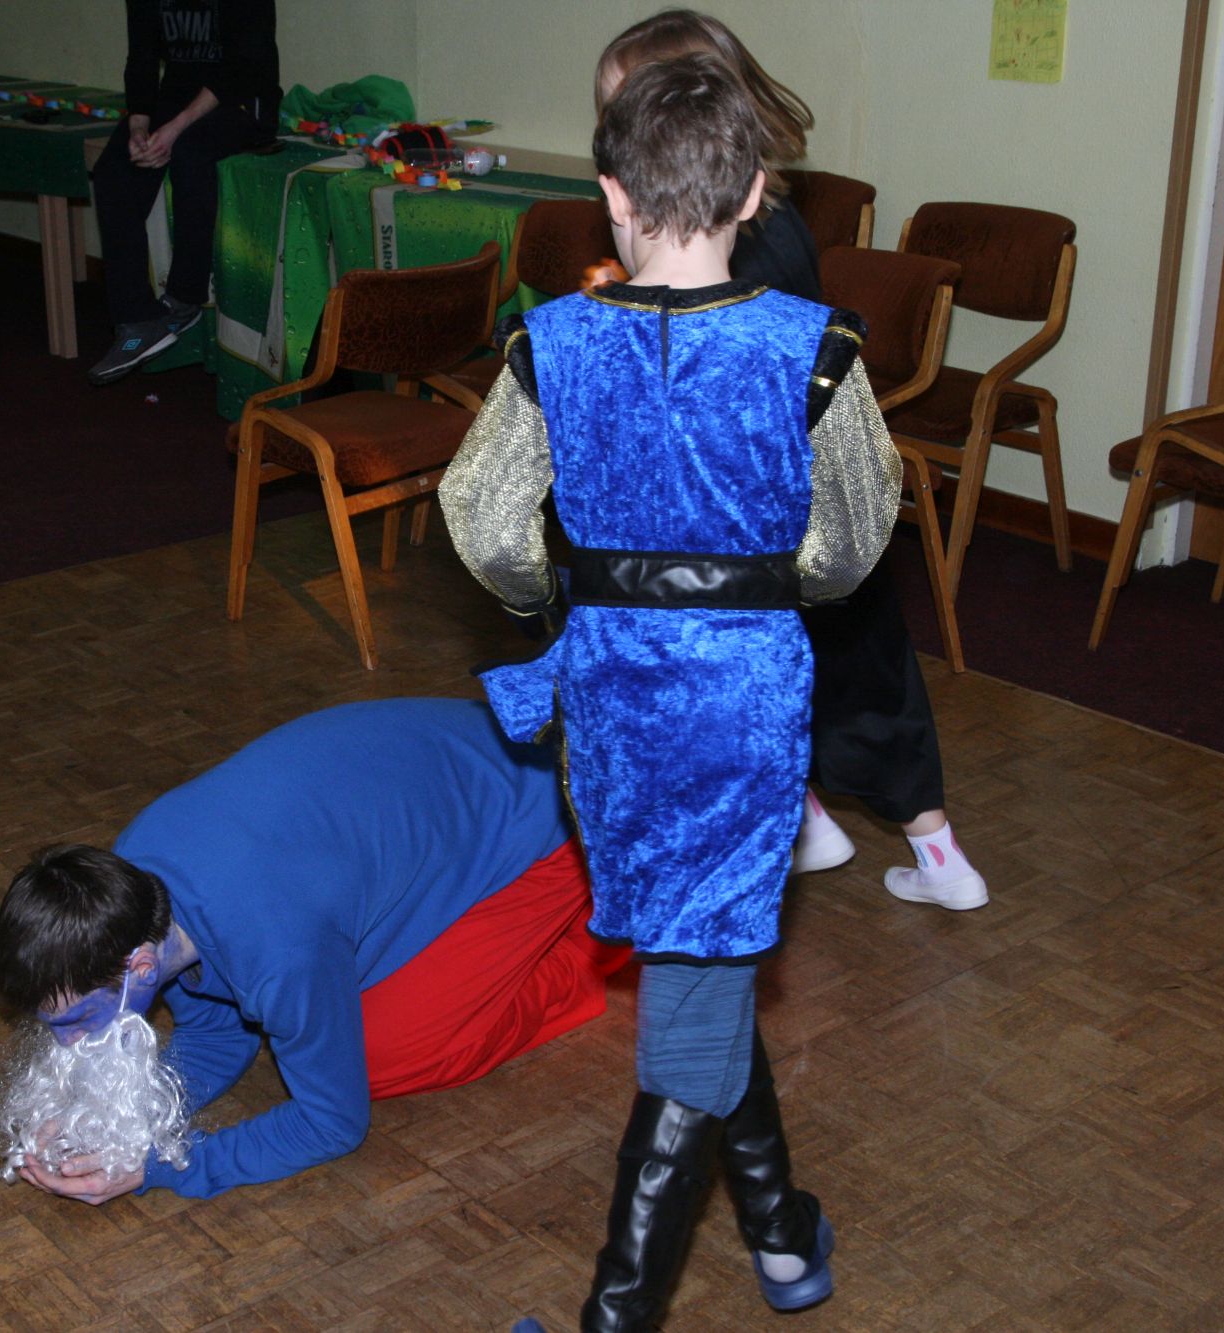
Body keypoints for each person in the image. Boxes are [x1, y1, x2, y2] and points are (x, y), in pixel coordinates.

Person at [439, 54, 900, 1330]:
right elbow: (852, 540)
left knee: (694, 973)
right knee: (702, 965)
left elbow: (480, 519)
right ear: (754, 193)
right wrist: (764, 588)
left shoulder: (550, 341)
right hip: (743, 707)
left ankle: (663, 1291)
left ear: (610, 195)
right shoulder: (813, 349)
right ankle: (779, 1242)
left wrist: (557, 600)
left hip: (608, 703)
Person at [594, 9, 988, 912]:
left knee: (760, 668)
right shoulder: (768, 214)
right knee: (855, 668)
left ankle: (808, 832)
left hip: (764, 504)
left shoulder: (725, 247)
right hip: (813, 492)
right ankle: (925, 852)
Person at [0, 698, 628, 1202]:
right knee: (332, 1020)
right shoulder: (132, 885)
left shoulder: (278, 947)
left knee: (382, 1057)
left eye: (78, 1021)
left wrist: (158, 1169)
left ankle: (603, 942)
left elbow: (332, 1124)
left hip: (560, 813)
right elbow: (218, 1031)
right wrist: (122, 1121)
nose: (69, 1044)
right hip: (456, 770)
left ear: (140, 968)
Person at [87, 0, 280, 386]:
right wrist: (139, 126)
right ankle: (138, 319)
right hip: (175, 97)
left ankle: (184, 297)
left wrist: (174, 129)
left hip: (243, 101)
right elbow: (142, 55)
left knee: (191, 152)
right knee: (114, 170)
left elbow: (242, 64)